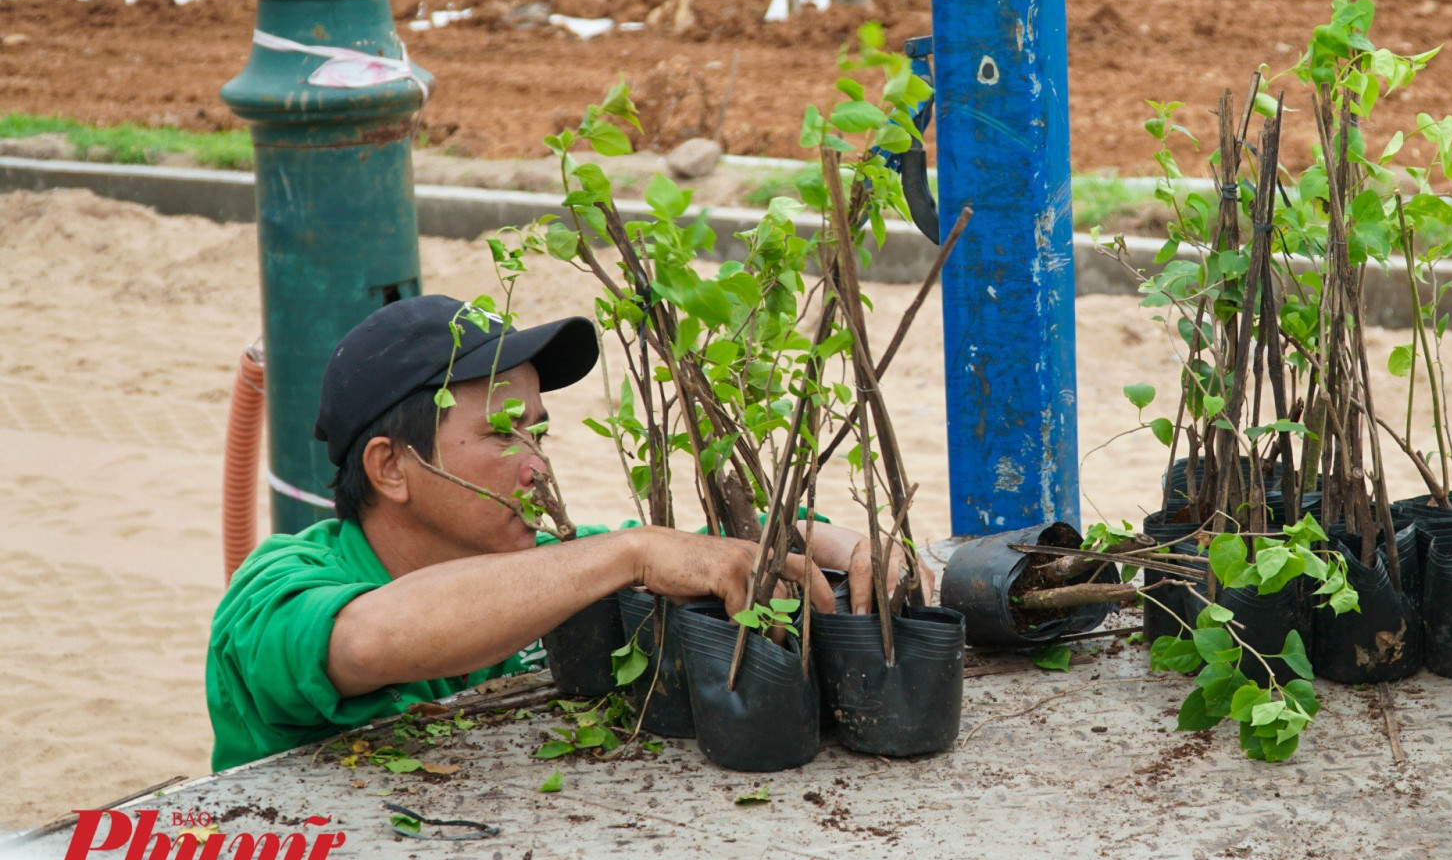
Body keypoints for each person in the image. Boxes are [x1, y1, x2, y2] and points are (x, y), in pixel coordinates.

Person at [205, 295, 925, 771]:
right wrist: (631, 550)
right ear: (391, 467)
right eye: (503, 433)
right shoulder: (272, 591)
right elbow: (364, 640)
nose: (537, 464)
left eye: (539, 432)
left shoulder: (543, 565)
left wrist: (833, 543)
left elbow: (720, 546)